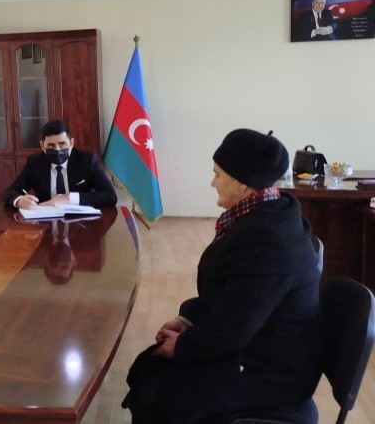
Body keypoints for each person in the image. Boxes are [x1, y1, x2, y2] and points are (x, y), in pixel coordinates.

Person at [122, 128, 323, 423]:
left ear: (242, 182)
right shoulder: (266, 215)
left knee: (161, 392)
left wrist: (183, 346)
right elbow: (232, 296)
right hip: (254, 345)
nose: (212, 182)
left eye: (217, 174)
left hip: (271, 372)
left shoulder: (268, 241)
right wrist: (188, 319)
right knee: (150, 367)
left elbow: (234, 327)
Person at [2, 119, 117, 209]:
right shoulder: (35, 163)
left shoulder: (87, 160)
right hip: (47, 221)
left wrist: (69, 198)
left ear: (71, 143)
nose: (57, 150)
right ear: (42, 146)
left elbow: (110, 196)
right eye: (51, 146)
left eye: (62, 144)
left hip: (81, 223)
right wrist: (19, 201)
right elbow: (9, 192)